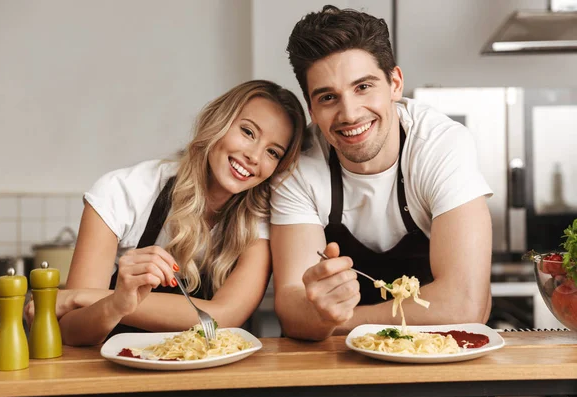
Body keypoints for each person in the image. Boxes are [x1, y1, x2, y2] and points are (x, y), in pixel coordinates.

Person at [25, 80, 307, 346]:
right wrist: (116, 303)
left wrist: (79, 297)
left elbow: (225, 315)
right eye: (248, 132)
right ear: (217, 122)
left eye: (273, 152)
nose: (255, 156)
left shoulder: (262, 218)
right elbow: (71, 332)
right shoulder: (125, 191)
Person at [270, 5, 493, 341]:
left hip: (442, 360)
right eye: (329, 97)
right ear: (311, 108)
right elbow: (291, 310)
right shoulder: (298, 166)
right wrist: (310, 314)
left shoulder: (441, 145)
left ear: (395, 84)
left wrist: (331, 318)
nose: (350, 113)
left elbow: (465, 306)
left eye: (363, 87)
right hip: (342, 369)